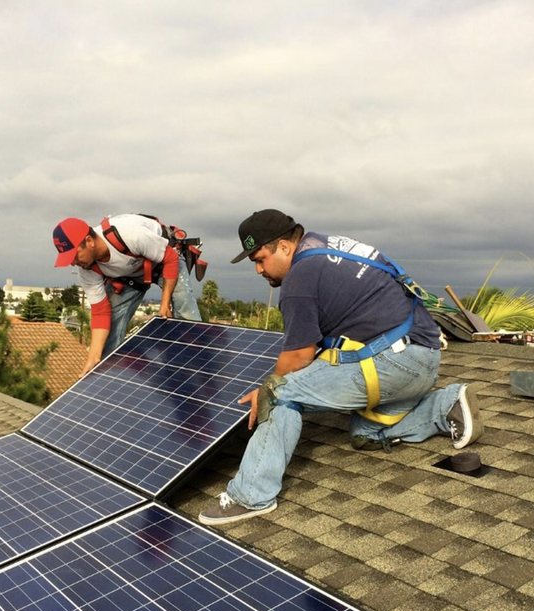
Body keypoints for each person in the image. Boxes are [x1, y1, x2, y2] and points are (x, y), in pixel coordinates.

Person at [199, 209, 484, 526]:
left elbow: (298, 356)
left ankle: (251, 495)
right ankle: (445, 405)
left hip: (393, 361)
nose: (257, 269)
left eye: (260, 258)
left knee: (278, 395)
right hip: (424, 355)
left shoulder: (300, 279)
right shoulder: (327, 245)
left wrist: (267, 389)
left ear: (283, 246)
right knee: (367, 432)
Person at [53, 214, 202, 375]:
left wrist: (165, 304)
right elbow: (100, 312)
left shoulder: (130, 235)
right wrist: (93, 357)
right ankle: (109, 380)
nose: (73, 263)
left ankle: (197, 365)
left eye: (74, 256)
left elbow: (170, 259)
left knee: (185, 308)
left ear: (89, 241)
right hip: (130, 276)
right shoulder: (87, 271)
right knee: (108, 335)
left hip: (163, 262)